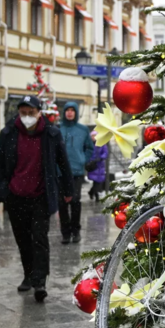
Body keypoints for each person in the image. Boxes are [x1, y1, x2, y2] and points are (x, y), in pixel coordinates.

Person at [0, 95, 73, 302]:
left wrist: (68, 189)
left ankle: (39, 281)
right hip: (16, 195)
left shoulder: (51, 134)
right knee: (22, 239)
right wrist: (2, 189)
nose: (27, 117)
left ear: (39, 113)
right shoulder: (8, 133)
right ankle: (28, 274)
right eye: (23, 113)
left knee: (39, 238)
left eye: (31, 113)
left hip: (41, 196)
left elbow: (63, 163)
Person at [59, 102, 93, 244]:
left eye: (73, 110)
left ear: (76, 112)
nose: (70, 113)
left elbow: (89, 148)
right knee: (61, 204)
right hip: (60, 172)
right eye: (67, 110)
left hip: (77, 171)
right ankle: (65, 233)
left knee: (75, 201)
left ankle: (76, 231)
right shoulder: (57, 129)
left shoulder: (83, 130)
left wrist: (82, 159)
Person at [86, 130, 108, 202]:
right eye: (92, 136)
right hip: (92, 166)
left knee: (98, 181)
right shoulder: (89, 144)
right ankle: (96, 195)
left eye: (95, 135)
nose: (94, 137)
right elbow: (87, 153)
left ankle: (92, 193)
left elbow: (105, 153)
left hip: (100, 165)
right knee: (95, 181)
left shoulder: (102, 144)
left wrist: (101, 158)